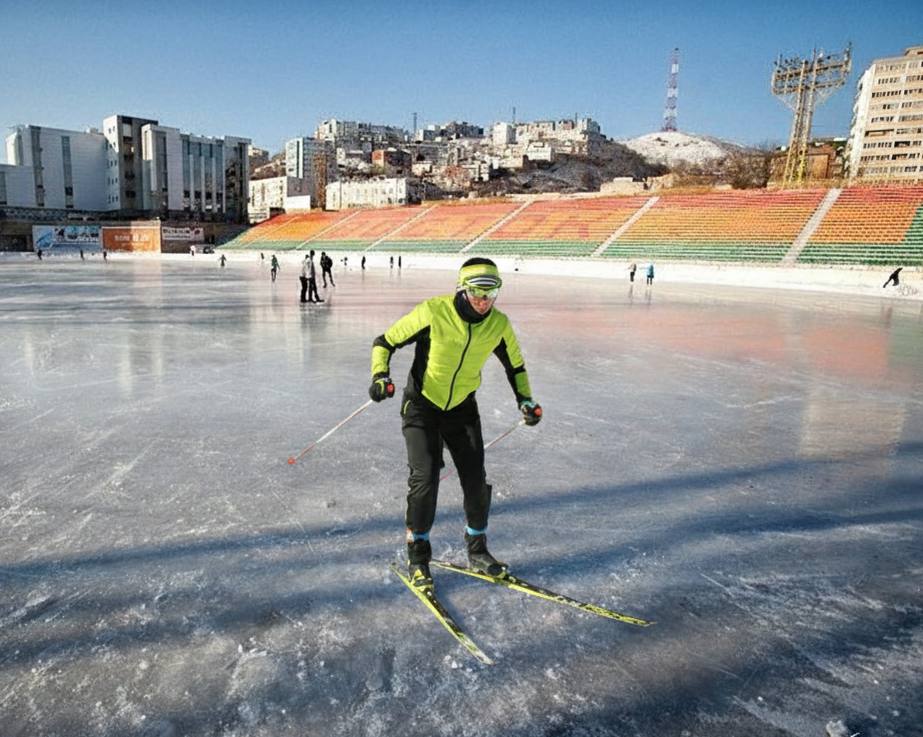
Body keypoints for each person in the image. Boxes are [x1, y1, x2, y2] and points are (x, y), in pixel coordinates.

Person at [369, 257, 542, 588]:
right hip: (422, 406)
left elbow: (516, 367)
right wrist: (380, 376)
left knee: (476, 480)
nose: (484, 302)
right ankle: (418, 557)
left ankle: (478, 550)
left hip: (462, 409)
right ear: (462, 289)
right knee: (425, 478)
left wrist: (526, 400)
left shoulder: (498, 324)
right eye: (477, 294)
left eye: (491, 295)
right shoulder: (434, 312)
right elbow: (384, 342)